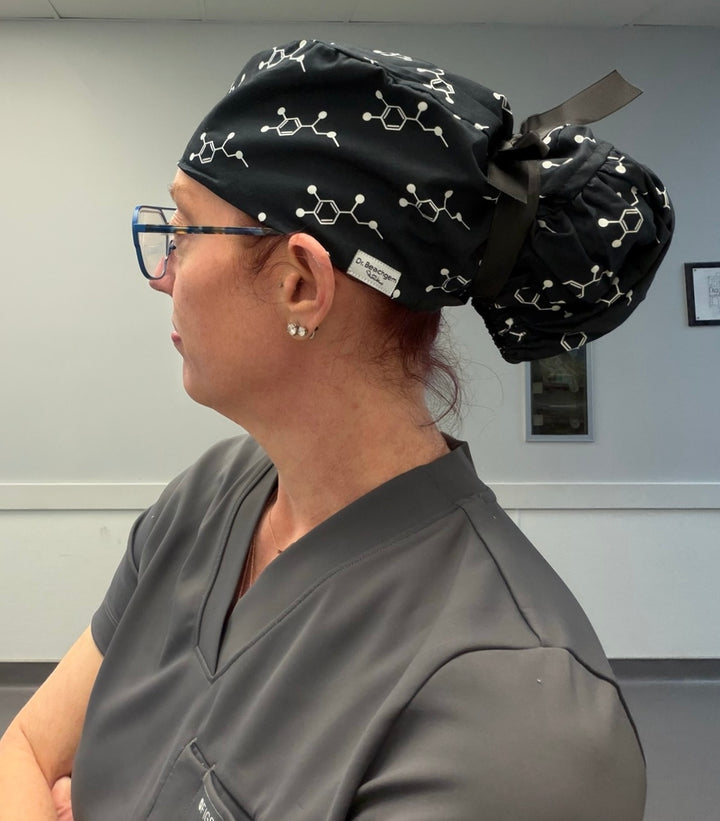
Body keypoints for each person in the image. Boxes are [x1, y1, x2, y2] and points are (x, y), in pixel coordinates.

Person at [0, 40, 673, 821]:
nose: (163, 271)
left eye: (185, 228)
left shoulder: (516, 717)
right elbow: (23, 749)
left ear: (300, 282)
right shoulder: (211, 499)